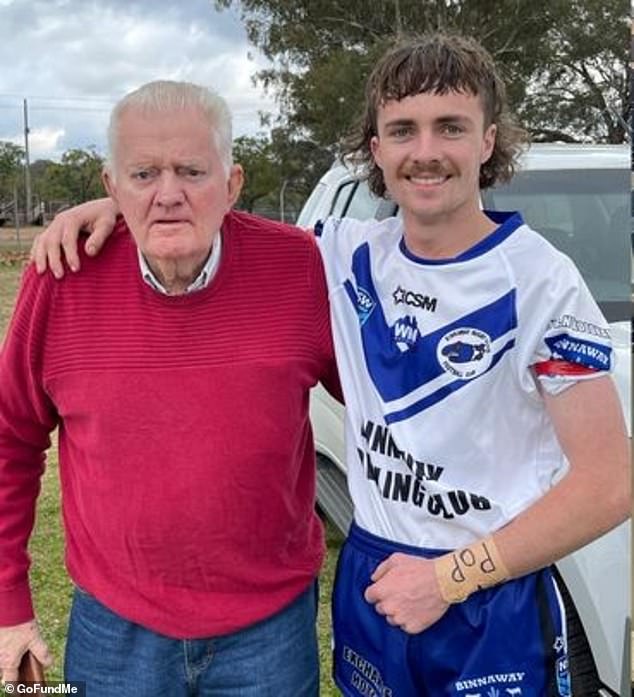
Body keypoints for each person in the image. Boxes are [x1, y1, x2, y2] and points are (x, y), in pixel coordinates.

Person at [30, 33, 630, 697]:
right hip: (373, 585)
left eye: (450, 127)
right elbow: (199, 210)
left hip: (487, 596)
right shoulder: (339, 255)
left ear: (488, 140)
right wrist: (126, 204)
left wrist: (452, 576)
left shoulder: (544, 282)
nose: (425, 152)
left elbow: (610, 483)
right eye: (403, 129)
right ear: (376, 149)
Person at [0, 80, 339, 695]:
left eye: (191, 171)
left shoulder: (301, 267)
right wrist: (8, 601)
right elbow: (9, 438)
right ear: (111, 187)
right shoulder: (61, 277)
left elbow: (384, 401)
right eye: (143, 174)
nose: (168, 195)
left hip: (270, 628)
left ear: (232, 184)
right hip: (114, 627)